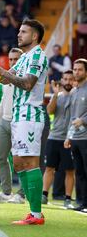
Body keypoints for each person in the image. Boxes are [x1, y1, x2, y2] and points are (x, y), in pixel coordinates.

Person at [0, 19, 48, 225]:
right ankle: (32, 211)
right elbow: (6, 79)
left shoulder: (38, 56)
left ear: (34, 36)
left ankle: (37, 214)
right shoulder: (24, 58)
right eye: (19, 31)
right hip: (17, 115)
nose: (18, 34)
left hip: (30, 114)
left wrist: (3, 72)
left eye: (23, 32)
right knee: (18, 163)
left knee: (30, 162)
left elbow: (28, 83)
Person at [0, 48, 25, 204]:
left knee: (21, 160)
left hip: (19, 121)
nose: (13, 62)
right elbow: (4, 100)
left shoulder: (26, 79)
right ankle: (6, 192)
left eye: (16, 59)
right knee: (0, 157)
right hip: (4, 121)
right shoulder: (6, 79)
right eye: (10, 60)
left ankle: (22, 194)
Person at [42, 70, 75, 209]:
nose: (67, 82)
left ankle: (67, 198)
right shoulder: (58, 96)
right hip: (54, 137)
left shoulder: (77, 96)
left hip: (70, 139)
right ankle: (44, 195)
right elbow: (49, 111)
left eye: (70, 79)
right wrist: (55, 95)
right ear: (62, 80)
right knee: (49, 168)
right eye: (65, 79)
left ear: (74, 81)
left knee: (69, 170)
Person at [64, 58, 87, 213]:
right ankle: (83, 203)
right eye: (75, 69)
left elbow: (79, 118)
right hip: (76, 138)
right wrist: (68, 136)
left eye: (79, 69)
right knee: (80, 173)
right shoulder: (74, 91)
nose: (76, 72)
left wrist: (84, 120)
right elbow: (71, 117)